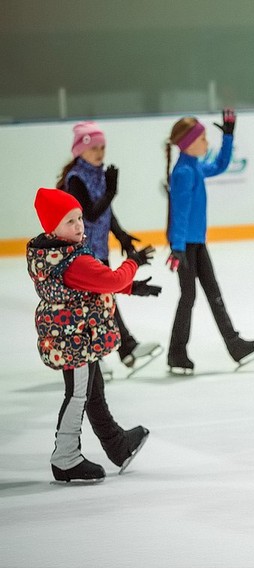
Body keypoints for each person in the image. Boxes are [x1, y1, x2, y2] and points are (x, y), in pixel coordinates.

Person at [27, 188, 159, 482]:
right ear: (52, 228)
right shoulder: (71, 259)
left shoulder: (53, 253)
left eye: (79, 218)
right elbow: (109, 278)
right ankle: (66, 457)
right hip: (74, 339)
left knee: (93, 392)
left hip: (73, 337)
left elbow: (91, 283)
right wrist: (132, 263)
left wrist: (132, 287)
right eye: (69, 221)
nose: (78, 226)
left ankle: (118, 445)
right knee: (78, 395)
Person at [57, 121, 161, 379]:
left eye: (103, 147)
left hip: (98, 248)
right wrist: (112, 191)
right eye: (94, 147)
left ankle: (126, 349)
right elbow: (90, 214)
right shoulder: (75, 180)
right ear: (80, 150)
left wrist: (122, 236)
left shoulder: (98, 174)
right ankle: (98, 355)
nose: (100, 152)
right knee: (94, 303)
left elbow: (107, 214)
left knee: (105, 299)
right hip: (81, 252)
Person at [165, 109, 254, 374]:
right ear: (188, 143)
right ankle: (177, 352)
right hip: (185, 246)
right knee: (188, 297)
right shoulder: (184, 173)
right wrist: (176, 247)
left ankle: (234, 345)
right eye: (202, 140)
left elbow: (220, 165)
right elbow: (179, 212)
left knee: (212, 293)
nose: (206, 143)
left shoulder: (194, 167)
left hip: (195, 243)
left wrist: (229, 136)